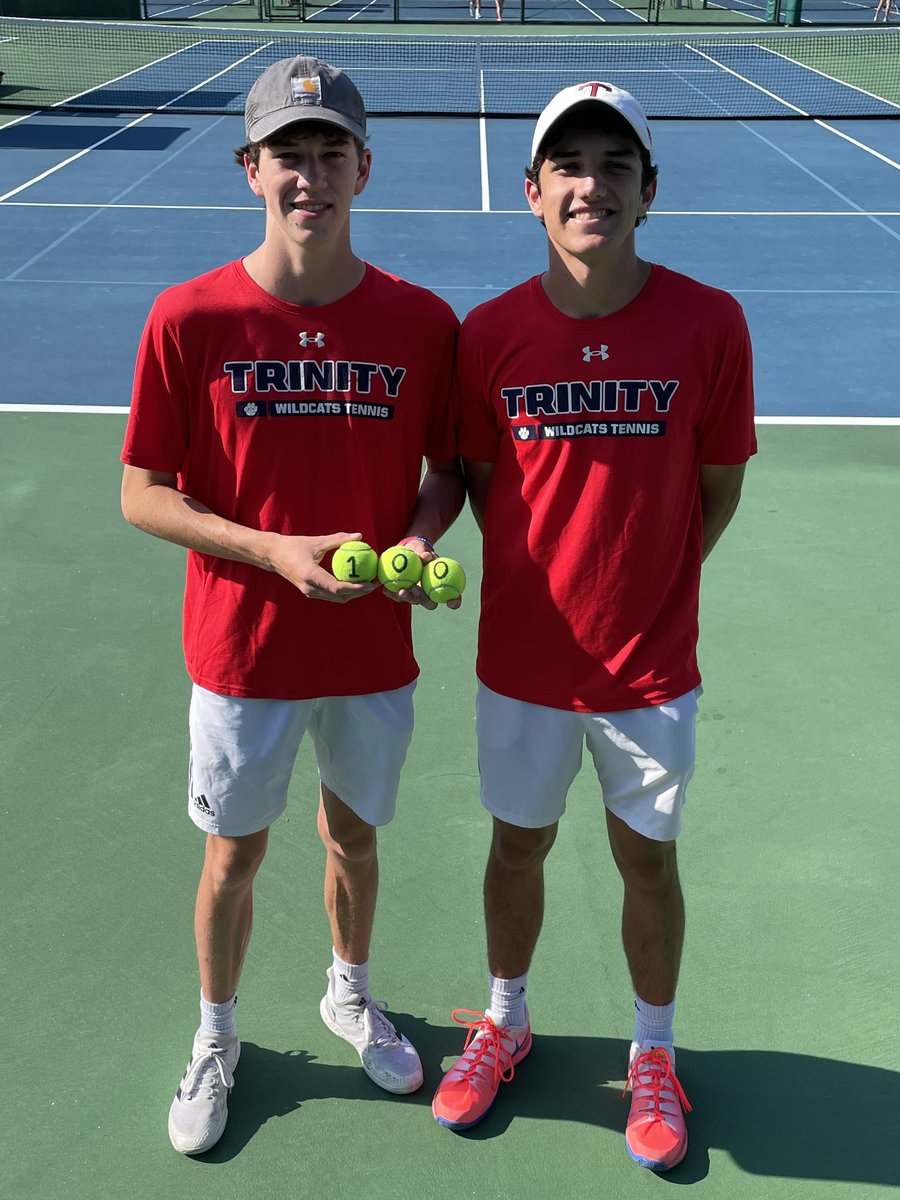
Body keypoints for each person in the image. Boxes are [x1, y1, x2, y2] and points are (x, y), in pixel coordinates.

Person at [120, 55, 463, 1156]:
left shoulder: (420, 323)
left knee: (353, 837)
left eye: (329, 153)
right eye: (287, 155)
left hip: (370, 647)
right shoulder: (189, 317)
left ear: (363, 166)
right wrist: (269, 550)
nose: (309, 176)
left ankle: (349, 993)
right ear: (249, 170)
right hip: (242, 649)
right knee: (233, 854)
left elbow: (447, 469)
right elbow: (142, 494)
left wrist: (416, 538)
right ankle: (218, 1033)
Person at [431, 80, 756, 1172]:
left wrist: (650, 584)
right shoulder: (487, 337)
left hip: (650, 670)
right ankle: (506, 1019)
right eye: (569, 165)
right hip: (523, 665)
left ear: (648, 192)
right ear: (532, 193)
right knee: (515, 845)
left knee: (646, 860)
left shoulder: (711, 322)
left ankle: (653, 1051)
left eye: (615, 165)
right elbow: (479, 484)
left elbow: (717, 489)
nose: (592, 184)